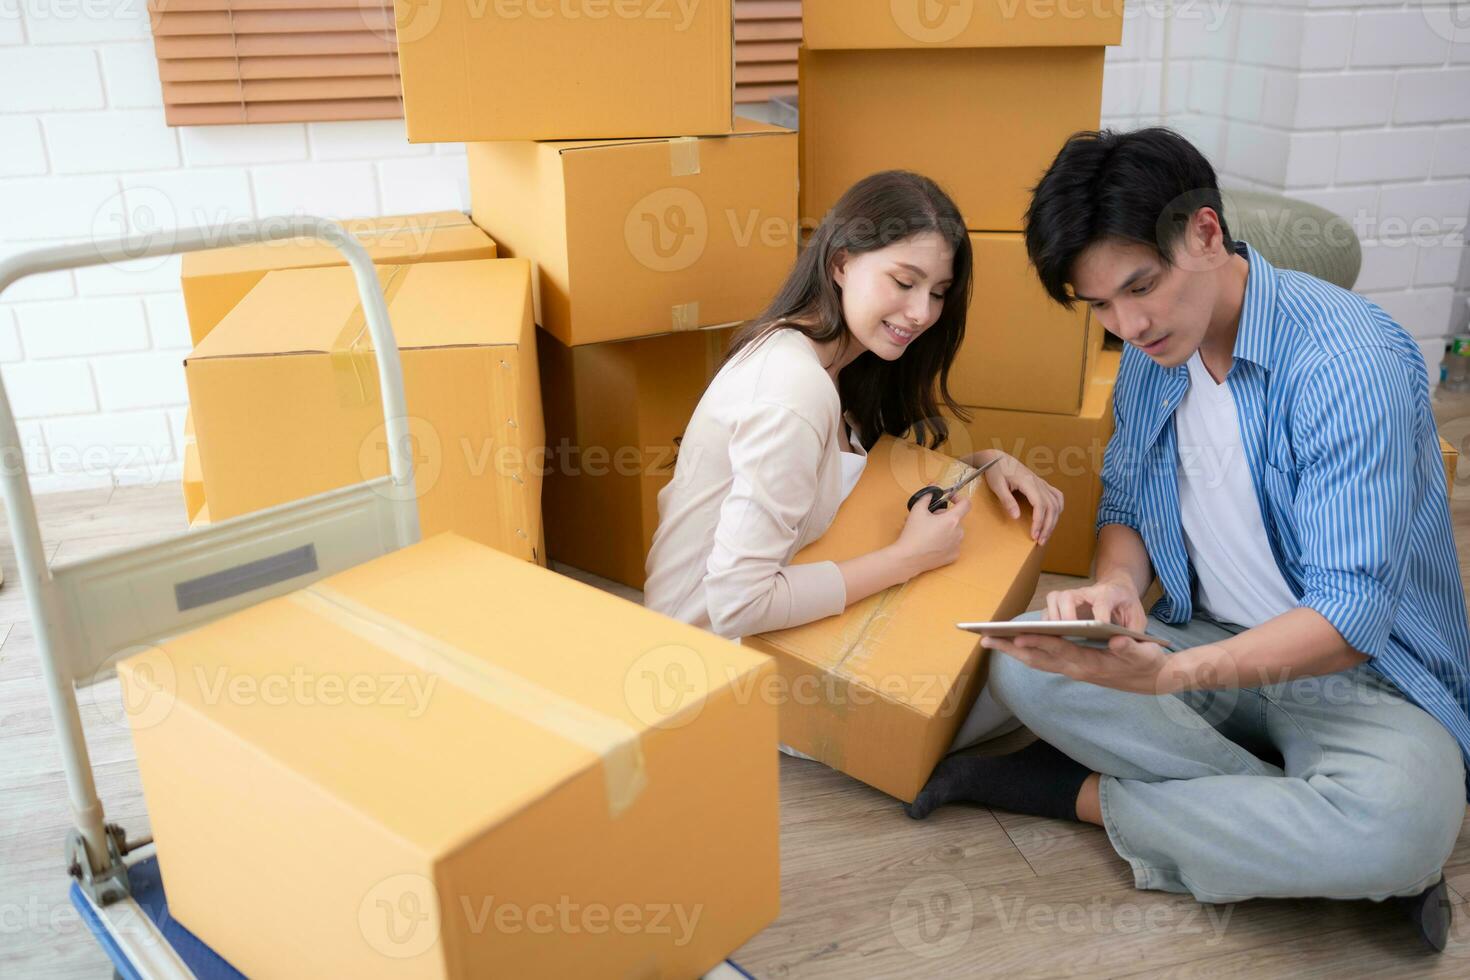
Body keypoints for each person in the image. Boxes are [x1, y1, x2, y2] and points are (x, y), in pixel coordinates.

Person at [906, 128, 1470, 950]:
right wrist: (1117, 590)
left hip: (1361, 679)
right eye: (1098, 305)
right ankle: (1295, 824)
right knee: (1025, 666)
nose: (1128, 324)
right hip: (1207, 639)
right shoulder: (1152, 352)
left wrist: (1169, 676)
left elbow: (1349, 618)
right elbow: (1129, 502)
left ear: (1206, 233)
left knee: (1400, 830)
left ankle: (1085, 797)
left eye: (1142, 286)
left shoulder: (1347, 363)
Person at [643, 169, 1063, 697]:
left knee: (1026, 652)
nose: (921, 313)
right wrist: (905, 559)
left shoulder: (836, 367)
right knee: (1028, 670)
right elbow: (736, 603)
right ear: (841, 263)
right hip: (710, 670)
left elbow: (858, 489)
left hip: (776, 643)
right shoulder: (793, 391)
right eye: (904, 282)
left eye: (938, 293)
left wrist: (979, 467)